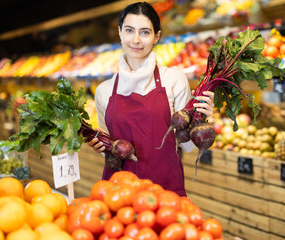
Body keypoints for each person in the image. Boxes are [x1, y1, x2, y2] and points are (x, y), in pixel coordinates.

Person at [88, 2, 214, 196]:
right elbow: (112, 149)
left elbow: (188, 146)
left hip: (164, 191)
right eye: (129, 30)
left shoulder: (173, 79)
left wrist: (201, 119)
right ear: (120, 32)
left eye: (145, 32)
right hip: (118, 193)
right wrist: (101, 146)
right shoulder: (104, 91)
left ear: (157, 37)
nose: (136, 40)